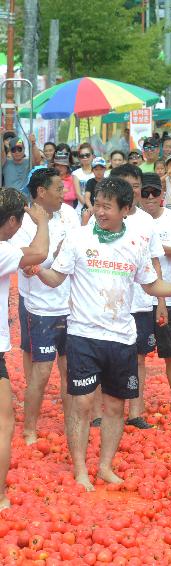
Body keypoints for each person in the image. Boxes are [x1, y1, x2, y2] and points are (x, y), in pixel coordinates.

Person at [36, 177, 171, 491]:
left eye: (107, 206)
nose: (100, 211)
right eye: (97, 204)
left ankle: (105, 466)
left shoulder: (136, 241)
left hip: (122, 338)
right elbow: (55, 277)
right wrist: (36, 268)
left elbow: (150, 285)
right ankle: (81, 469)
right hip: (83, 335)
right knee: (81, 404)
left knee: (115, 406)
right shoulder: (78, 238)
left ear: (125, 209)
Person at [11, 169, 76, 446]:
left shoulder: (69, 215)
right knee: (41, 373)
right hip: (40, 309)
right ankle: (29, 429)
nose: (65, 194)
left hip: (71, 308)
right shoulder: (23, 224)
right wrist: (57, 255)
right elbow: (25, 267)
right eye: (59, 190)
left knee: (70, 370)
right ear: (41, 192)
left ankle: (73, 422)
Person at [102, 166, 167, 430]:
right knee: (104, 356)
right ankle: (99, 413)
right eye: (125, 183)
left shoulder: (147, 221)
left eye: (136, 184)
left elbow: (154, 261)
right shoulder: (103, 217)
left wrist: (161, 302)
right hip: (109, 300)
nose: (132, 189)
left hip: (140, 301)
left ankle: (135, 412)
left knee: (139, 357)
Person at [0, 188, 50, 509]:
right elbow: (40, 252)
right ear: (14, 220)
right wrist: (42, 221)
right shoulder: (2, 249)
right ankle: (0, 495)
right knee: (4, 421)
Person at [139, 174, 171, 413]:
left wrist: (153, 246)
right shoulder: (131, 219)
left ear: (162, 195)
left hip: (167, 296)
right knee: (136, 354)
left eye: (154, 193)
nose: (150, 197)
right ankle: (134, 403)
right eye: (145, 192)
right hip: (137, 298)